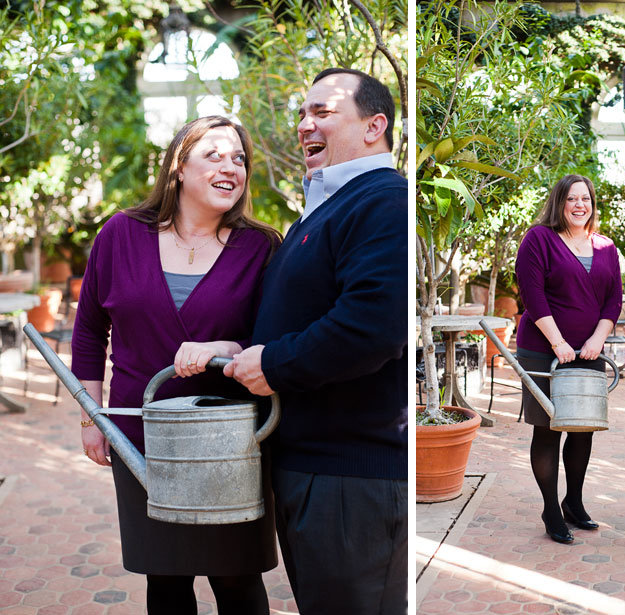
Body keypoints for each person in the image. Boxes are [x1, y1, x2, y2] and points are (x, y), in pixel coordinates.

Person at [71, 115, 281, 614]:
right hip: (142, 437)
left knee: (236, 578)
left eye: (239, 159)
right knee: (165, 578)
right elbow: (88, 330)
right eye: (214, 155)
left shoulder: (262, 247)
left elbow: (276, 340)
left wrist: (226, 347)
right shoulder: (120, 234)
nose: (231, 166)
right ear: (179, 166)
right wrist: (91, 419)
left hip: (229, 440)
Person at [224, 68, 407, 614]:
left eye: (322, 112)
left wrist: (275, 364)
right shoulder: (329, 206)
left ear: (375, 126)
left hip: (349, 480)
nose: (305, 124)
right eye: (301, 114)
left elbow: (372, 326)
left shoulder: (383, 201)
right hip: (312, 470)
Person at [515, 174, 622, 544]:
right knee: (547, 430)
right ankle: (550, 509)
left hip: (589, 350)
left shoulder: (606, 247)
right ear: (559, 202)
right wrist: (558, 342)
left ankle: (573, 503)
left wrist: (596, 339)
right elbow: (533, 295)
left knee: (582, 427)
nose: (580, 205)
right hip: (544, 349)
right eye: (572, 199)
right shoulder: (539, 238)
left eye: (586, 199)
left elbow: (613, 301)